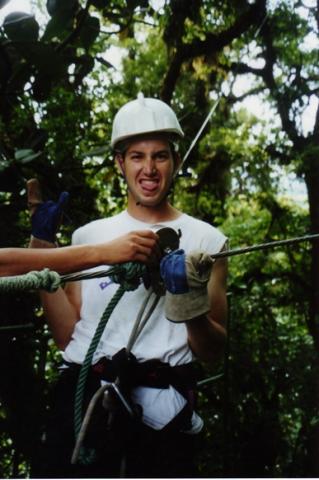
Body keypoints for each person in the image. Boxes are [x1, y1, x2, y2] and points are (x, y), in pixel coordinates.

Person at [30, 93, 228, 478]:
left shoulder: (207, 240)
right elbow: (66, 335)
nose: (149, 169)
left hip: (162, 406)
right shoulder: (89, 236)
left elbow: (212, 350)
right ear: (120, 163)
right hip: (85, 395)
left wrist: (186, 299)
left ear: (175, 161)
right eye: (137, 156)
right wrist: (42, 247)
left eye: (160, 156)